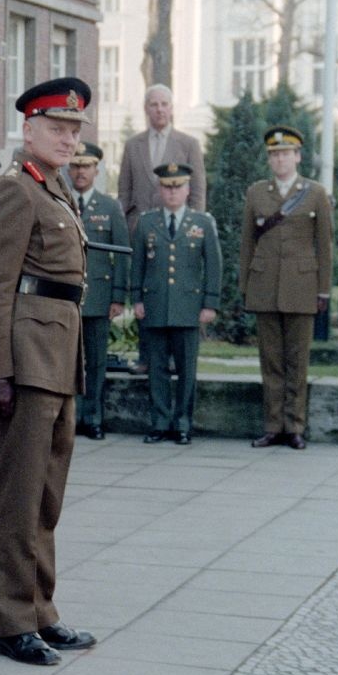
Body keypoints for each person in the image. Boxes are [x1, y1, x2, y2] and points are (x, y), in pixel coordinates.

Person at [0, 77, 98, 666]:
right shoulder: (16, 190)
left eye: (74, 130)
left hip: (57, 359)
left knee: (47, 497)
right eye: (57, 128)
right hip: (25, 363)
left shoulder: (56, 188)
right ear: (28, 129)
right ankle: (14, 622)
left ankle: (42, 610)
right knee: (19, 498)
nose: (68, 138)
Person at [240, 126, 332, 450]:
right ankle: (272, 426)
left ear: (298, 156)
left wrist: (323, 290)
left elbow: (325, 245)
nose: (280, 159)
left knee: (298, 361)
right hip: (265, 285)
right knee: (271, 361)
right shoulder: (256, 193)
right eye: (274, 154)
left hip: (302, 286)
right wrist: (245, 287)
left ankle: (295, 426)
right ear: (269, 159)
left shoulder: (315, 193)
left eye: (286, 154)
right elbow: (247, 244)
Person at [117, 85, 207, 378]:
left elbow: (198, 193)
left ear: (172, 108)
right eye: (153, 104)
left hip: (178, 233)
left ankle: (172, 358)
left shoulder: (188, 144)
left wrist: (194, 226)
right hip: (143, 232)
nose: (159, 109)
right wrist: (128, 228)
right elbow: (124, 192)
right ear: (146, 109)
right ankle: (147, 357)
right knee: (146, 293)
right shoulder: (133, 145)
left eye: (164, 104)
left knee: (173, 293)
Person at [132, 162, 221, 445]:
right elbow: (136, 265)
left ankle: (183, 423)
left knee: (186, 370)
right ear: (160, 189)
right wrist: (136, 298)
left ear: (188, 189)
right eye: (167, 187)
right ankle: (159, 422)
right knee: (156, 367)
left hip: (188, 308)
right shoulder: (147, 222)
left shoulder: (202, 222)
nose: (172, 193)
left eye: (178, 187)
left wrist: (210, 304)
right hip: (155, 305)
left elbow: (214, 266)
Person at [68, 140, 129, 440]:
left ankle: (92, 418)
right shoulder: (60, 201)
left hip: (99, 297)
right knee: (68, 361)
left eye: (87, 166)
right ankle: (70, 418)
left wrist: (118, 296)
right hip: (66, 296)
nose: (81, 171)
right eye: (76, 165)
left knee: (96, 361)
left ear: (96, 169)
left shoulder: (109, 206)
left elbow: (121, 253)